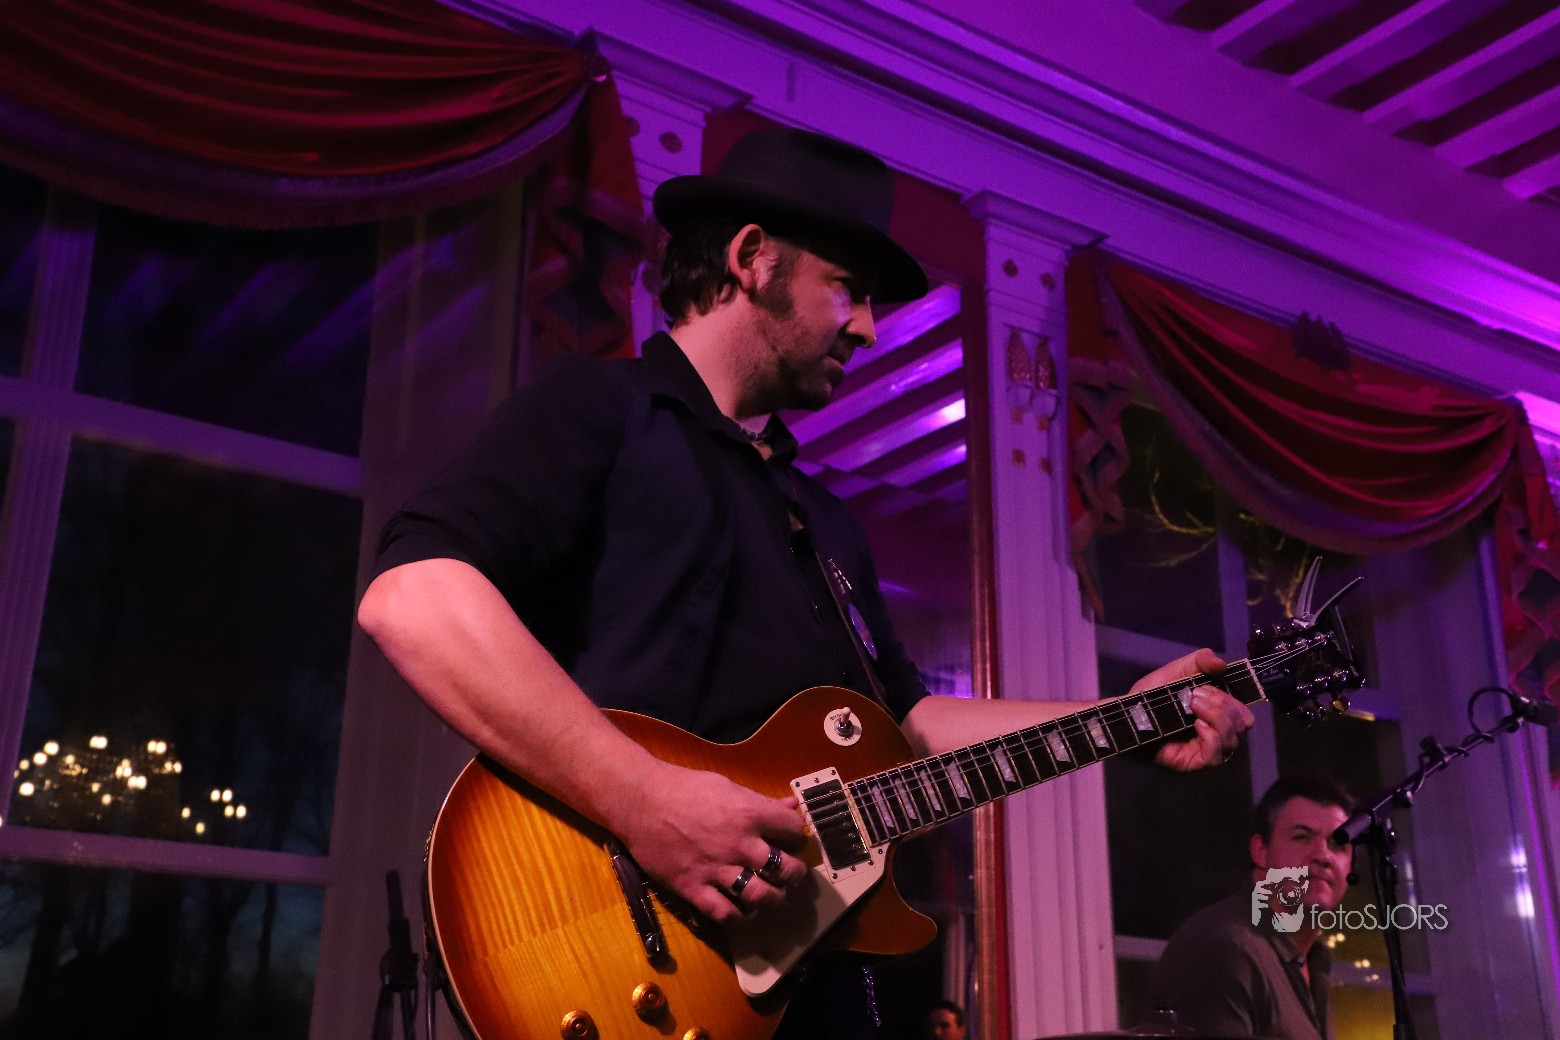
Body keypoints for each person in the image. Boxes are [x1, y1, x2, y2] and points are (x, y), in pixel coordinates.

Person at [357, 126, 1256, 1038]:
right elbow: (414, 595)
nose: (868, 326)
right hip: (618, 960)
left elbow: (907, 725)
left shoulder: (823, 522)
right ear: (752, 258)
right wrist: (644, 800)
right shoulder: (602, 409)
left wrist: (1123, 721)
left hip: (807, 988)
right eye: (848, 289)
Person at [1150, 775, 1355, 1040]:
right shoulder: (1226, 947)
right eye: (1302, 837)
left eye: (1338, 844)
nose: (1323, 856)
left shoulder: (1313, 959)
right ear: (1261, 851)